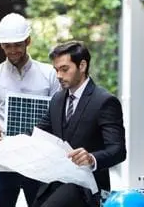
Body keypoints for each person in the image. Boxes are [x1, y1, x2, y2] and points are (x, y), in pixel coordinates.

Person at [0, 12, 61, 207]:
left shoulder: (49, 75)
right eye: (7, 46)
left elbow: (60, 116)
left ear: (28, 40)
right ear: (1, 45)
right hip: (4, 163)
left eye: (18, 45)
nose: (13, 50)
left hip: (39, 163)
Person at [32, 41, 127, 207]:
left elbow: (118, 151)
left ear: (82, 66)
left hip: (87, 190)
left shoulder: (105, 101)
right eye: (56, 70)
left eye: (64, 69)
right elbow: (36, 133)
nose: (59, 76)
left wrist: (91, 158)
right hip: (55, 182)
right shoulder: (57, 99)